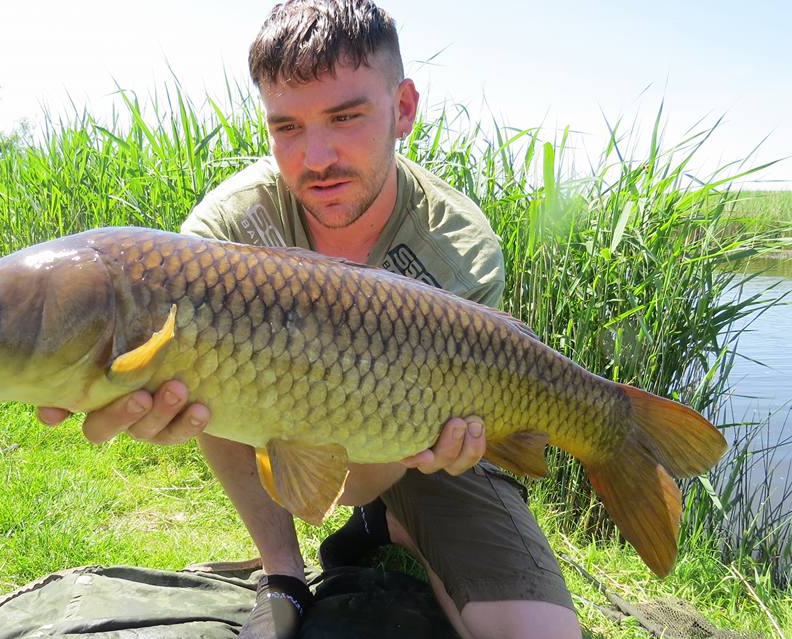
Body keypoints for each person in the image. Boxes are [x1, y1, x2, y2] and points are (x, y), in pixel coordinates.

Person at [39, 1, 581, 637]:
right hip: (299, 419)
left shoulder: (456, 244)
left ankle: (392, 522)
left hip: (432, 447)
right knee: (209, 357)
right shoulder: (227, 229)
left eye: (346, 117)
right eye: (287, 127)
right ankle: (283, 574)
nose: (316, 157)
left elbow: (355, 480)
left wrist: (420, 452)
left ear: (404, 108)